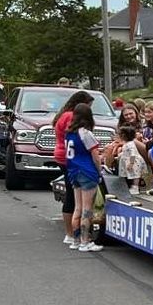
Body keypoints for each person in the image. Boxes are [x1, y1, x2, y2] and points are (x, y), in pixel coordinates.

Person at [51, 90, 93, 245]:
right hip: (69, 157)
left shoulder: (63, 115)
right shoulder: (70, 117)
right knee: (73, 196)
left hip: (62, 154)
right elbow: (77, 137)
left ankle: (71, 232)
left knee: (71, 193)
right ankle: (71, 233)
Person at [64, 104, 103, 252]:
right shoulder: (86, 133)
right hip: (87, 172)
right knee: (87, 210)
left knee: (78, 208)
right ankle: (85, 241)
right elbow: (95, 156)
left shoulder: (69, 133)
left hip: (73, 171)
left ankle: (75, 240)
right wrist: (99, 171)